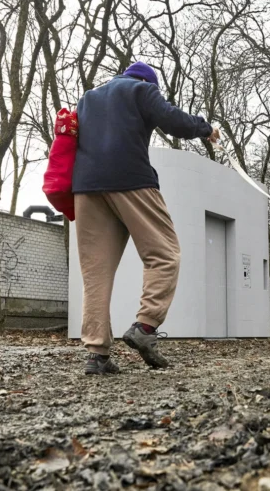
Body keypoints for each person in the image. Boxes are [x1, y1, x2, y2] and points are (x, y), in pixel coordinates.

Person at [73, 61, 220, 375]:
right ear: (147, 82)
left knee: (95, 273)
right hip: (131, 180)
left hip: (85, 188)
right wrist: (205, 129)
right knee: (165, 255)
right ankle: (145, 327)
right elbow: (171, 119)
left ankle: (96, 355)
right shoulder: (141, 89)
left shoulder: (89, 98)